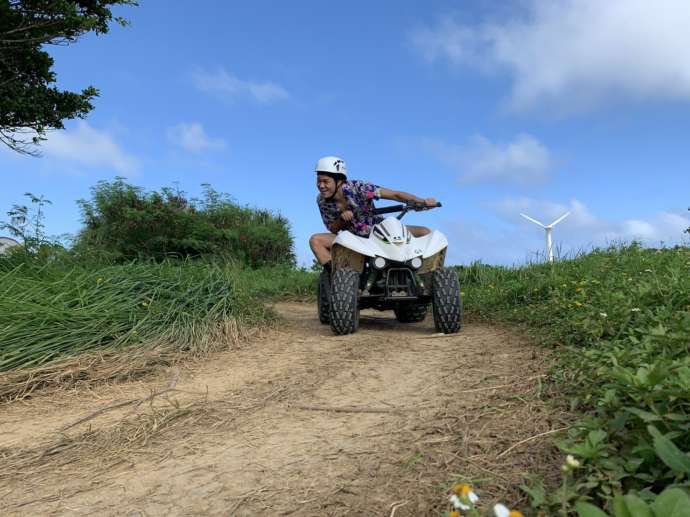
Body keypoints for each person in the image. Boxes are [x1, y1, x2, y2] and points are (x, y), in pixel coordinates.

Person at [309, 155, 437, 269]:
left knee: (425, 232)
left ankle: (426, 276)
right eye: (318, 181)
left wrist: (422, 201)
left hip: (379, 231)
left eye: (325, 181)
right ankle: (336, 278)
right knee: (316, 240)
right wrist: (341, 219)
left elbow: (395, 195)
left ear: (339, 181)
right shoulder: (321, 201)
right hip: (353, 240)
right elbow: (333, 228)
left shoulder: (358, 188)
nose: (321, 185)